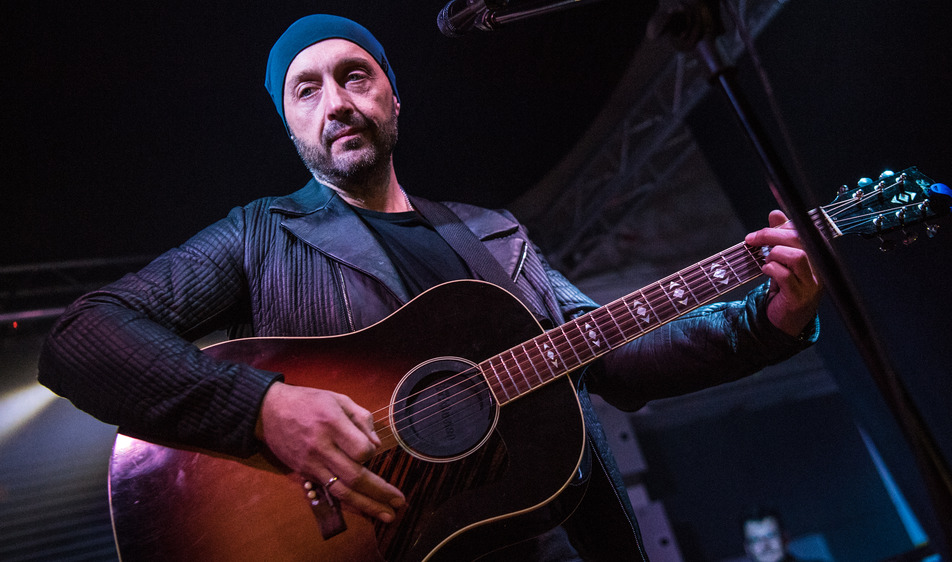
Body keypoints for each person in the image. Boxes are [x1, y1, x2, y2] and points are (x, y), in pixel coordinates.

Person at [37, 14, 822, 561]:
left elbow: (615, 357)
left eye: (355, 76)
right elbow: (80, 340)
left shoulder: (496, 235)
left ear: (393, 98)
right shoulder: (259, 235)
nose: (337, 101)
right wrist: (262, 409)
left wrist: (770, 318)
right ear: (289, 126)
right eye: (306, 90)